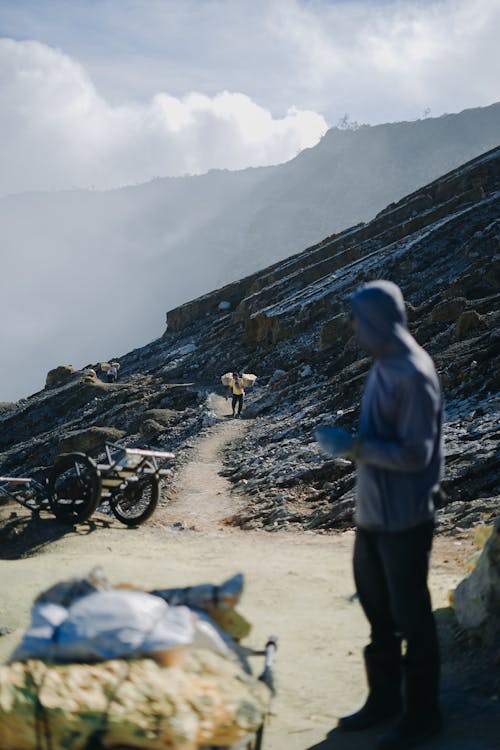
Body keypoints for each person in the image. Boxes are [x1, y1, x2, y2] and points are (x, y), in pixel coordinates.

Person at [315, 280, 443, 750]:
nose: (354, 331)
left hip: (404, 517)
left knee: (412, 617)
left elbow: (415, 454)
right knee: (378, 613)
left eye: (359, 321)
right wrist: (357, 445)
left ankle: (423, 715)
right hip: (373, 513)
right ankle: (385, 700)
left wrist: (353, 446)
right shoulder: (384, 366)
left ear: (379, 321)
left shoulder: (411, 372)